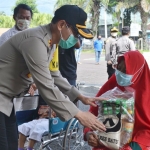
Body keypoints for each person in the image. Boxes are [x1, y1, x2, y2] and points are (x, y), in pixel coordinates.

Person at [0, 5, 106, 150]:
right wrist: (78, 114)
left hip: (5, 101)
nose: (76, 39)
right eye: (75, 33)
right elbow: (45, 85)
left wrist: (80, 97)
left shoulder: (51, 43)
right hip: (2, 97)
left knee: (11, 144)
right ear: (62, 25)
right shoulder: (36, 41)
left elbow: (53, 74)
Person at [84, 50, 150, 150]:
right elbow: (92, 113)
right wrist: (88, 133)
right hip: (103, 144)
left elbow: (147, 130)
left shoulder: (146, 93)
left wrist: (132, 147)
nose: (120, 74)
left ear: (138, 71)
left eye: (125, 71)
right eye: (119, 69)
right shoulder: (112, 85)